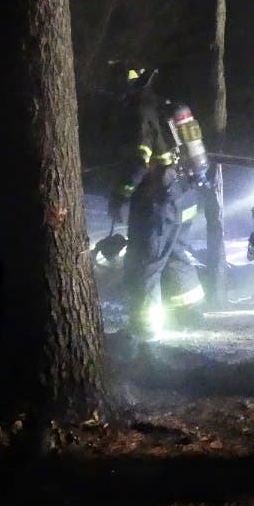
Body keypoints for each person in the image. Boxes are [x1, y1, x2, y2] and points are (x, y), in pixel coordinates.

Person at [107, 61, 208, 348]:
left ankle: (144, 332)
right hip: (186, 195)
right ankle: (190, 313)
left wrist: (121, 194)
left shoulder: (139, 114)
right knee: (176, 253)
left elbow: (138, 160)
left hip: (160, 200)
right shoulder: (167, 107)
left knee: (144, 264)